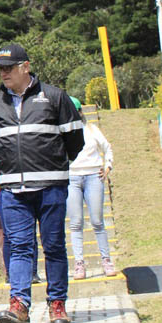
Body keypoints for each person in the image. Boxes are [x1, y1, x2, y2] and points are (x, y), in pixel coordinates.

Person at [0, 43, 84, 323]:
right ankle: (19, 307)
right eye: (0, 69)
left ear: (25, 66)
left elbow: (74, 140)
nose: (3, 74)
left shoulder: (54, 97)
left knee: (53, 246)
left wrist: (53, 165)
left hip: (50, 185)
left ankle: (57, 305)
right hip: (14, 190)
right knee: (21, 247)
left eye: (8, 68)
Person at [66, 97, 116, 279]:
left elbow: (107, 147)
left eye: (76, 110)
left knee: (97, 221)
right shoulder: (63, 131)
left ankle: (106, 260)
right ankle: (79, 263)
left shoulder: (91, 129)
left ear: (80, 112)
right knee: (76, 222)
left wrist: (108, 166)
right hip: (72, 176)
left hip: (94, 175)